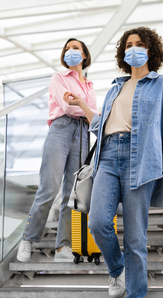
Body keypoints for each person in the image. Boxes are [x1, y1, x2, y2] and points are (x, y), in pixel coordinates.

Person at [64, 27, 163, 298]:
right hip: (108, 157)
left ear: (150, 50)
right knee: (98, 222)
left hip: (140, 159)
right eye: (129, 45)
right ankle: (117, 269)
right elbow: (102, 124)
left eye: (140, 45)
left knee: (135, 237)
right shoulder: (116, 86)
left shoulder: (162, 85)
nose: (134, 49)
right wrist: (82, 106)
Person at [16, 38, 98, 263]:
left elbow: (94, 116)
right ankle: (28, 239)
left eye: (75, 48)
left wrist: (82, 106)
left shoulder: (90, 86)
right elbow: (67, 106)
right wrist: (84, 107)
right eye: (67, 49)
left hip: (83, 134)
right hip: (61, 129)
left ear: (84, 55)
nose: (70, 52)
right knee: (48, 188)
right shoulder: (59, 78)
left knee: (72, 195)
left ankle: (63, 247)